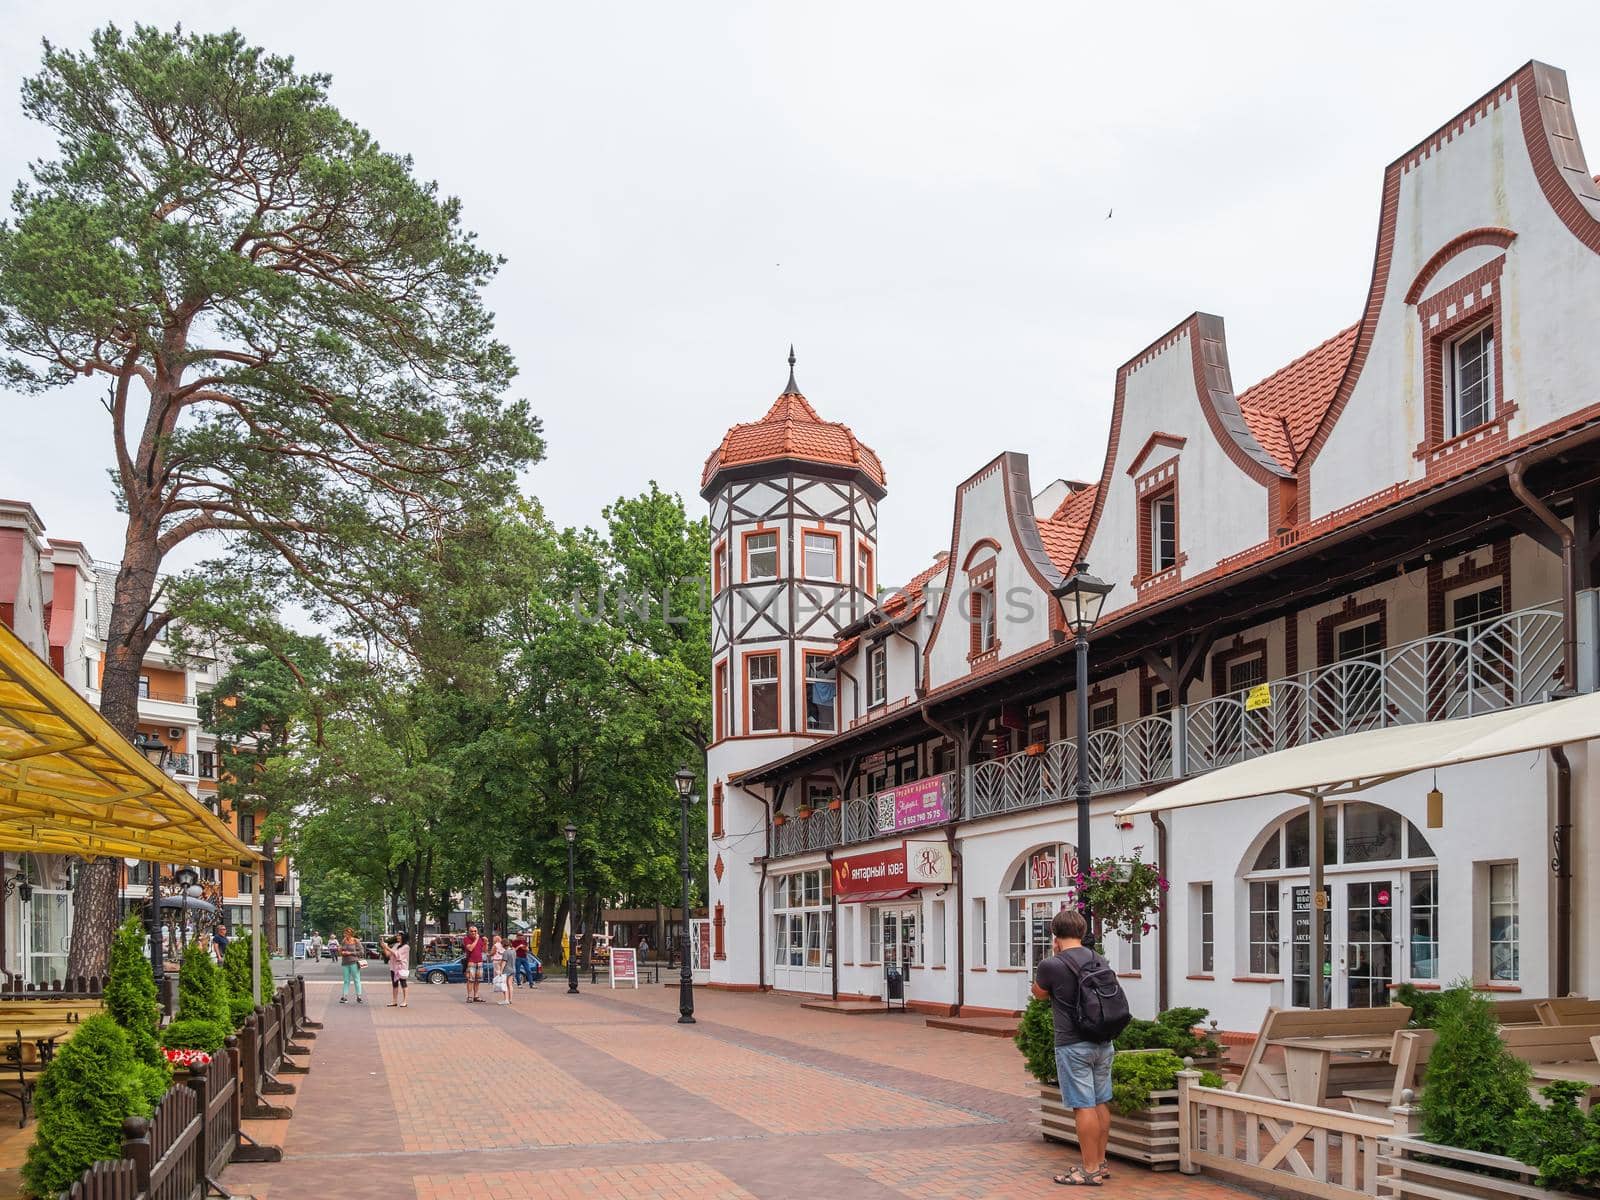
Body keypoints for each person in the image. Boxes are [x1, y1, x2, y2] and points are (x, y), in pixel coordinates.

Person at [1032, 909, 1113, 1187]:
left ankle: (1089, 1170)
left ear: (1055, 934)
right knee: (1101, 1101)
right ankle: (1100, 1163)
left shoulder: (1052, 965)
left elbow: (1039, 993)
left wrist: (1054, 956)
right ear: (1081, 932)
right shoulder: (1097, 958)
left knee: (1083, 1106)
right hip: (1103, 1041)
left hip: (1072, 1043)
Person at [382, 932, 410, 1008]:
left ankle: (405, 1001)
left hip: (401, 968)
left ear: (403, 937)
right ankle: (394, 1001)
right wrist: (384, 947)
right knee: (394, 984)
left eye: (399, 935)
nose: (397, 936)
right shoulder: (396, 945)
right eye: (397, 935)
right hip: (393, 967)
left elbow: (397, 954)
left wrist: (387, 947)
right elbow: (388, 954)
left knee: (403, 983)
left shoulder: (406, 946)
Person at [338, 927, 365, 1004]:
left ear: (351, 933)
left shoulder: (356, 941)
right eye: (345, 933)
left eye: (348, 933)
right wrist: (340, 951)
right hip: (345, 962)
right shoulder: (343, 941)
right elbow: (340, 951)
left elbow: (362, 952)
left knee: (356, 979)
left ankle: (359, 996)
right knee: (346, 980)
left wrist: (351, 953)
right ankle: (344, 996)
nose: (346, 934)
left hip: (354, 962)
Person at [462, 924, 486, 1003]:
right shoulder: (466, 939)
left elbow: (484, 951)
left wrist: (486, 942)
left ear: (477, 931)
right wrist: (476, 939)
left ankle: (476, 996)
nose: (473, 932)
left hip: (479, 961)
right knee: (470, 980)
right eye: (471, 931)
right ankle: (469, 996)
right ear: (468, 932)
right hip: (471, 961)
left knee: (478, 980)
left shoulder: (480, 939)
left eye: (475, 931)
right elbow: (470, 948)